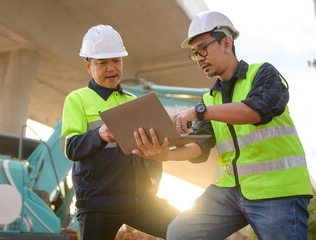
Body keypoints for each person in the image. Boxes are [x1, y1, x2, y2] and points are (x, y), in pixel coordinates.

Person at [132, 11, 313, 240]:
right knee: (180, 233)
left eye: (203, 49)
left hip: (278, 190)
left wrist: (199, 112)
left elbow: (256, 110)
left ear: (227, 43)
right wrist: (163, 155)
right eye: (194, 53)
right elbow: (200, 147)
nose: (199, 58)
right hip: (231, 191)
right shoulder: (209, 100)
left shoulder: (263, 74)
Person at [60, 25, 179, 240]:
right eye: (102, 63)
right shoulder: (77, 99)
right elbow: (70, 147)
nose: (111, 68)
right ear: (88, 66)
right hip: (98, 203)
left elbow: (149, 147)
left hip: (139, 200)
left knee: (186, 230)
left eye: (116, 61)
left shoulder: (133, 101)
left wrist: (154, 178)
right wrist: (99, 136)